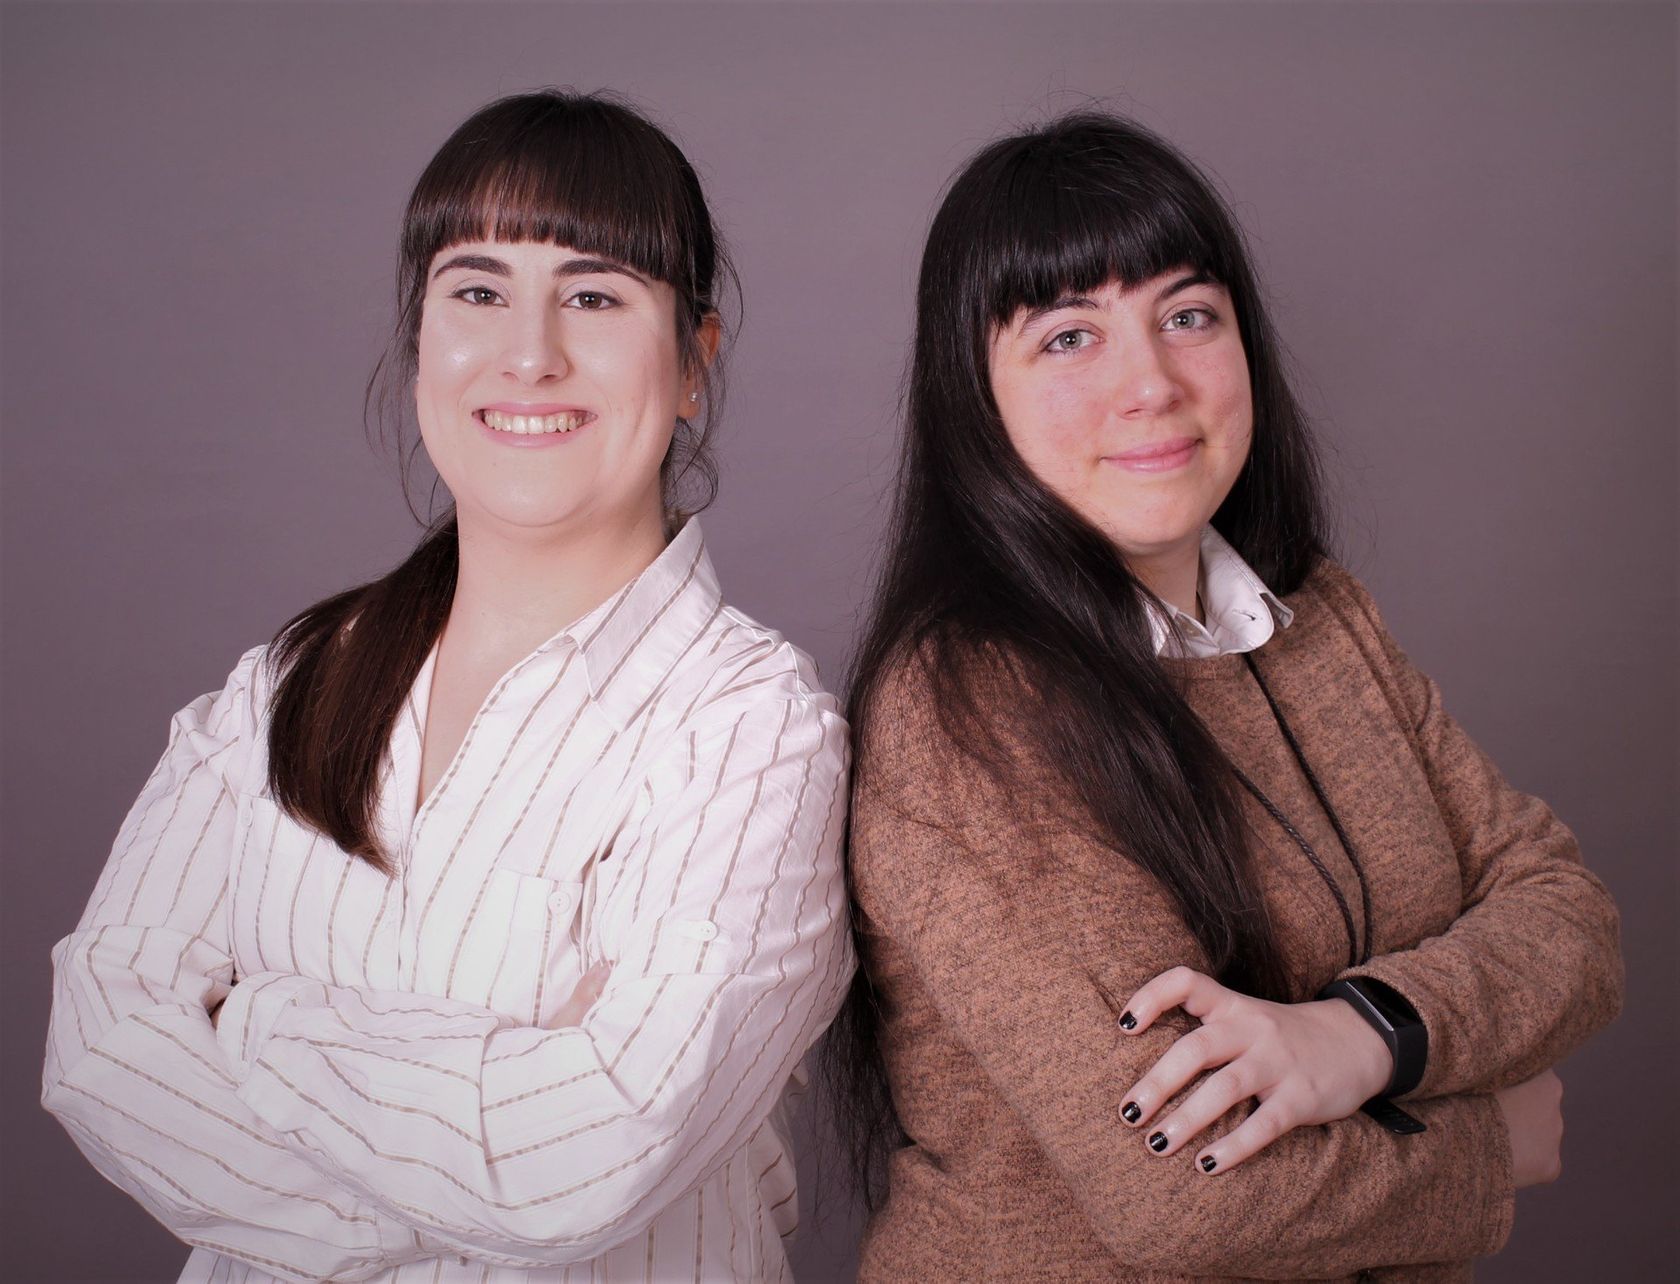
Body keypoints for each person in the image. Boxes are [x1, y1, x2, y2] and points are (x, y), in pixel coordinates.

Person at [43, 90, 851, 1283]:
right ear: (420, 340)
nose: (530, 353)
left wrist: (249, 1016)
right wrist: (462, 1173)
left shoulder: (753, 730)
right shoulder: (283, 688)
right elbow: (100, 1051)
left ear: (694, 363)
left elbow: (591, 1158)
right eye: (477, 292)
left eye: (593, 296)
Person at [833, 111, 1622, 1280]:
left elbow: (1568, 914)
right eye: (1069, 337)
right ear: (973, 397)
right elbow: (1189, 1197)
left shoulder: (1324, 620)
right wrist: (1489, 1148)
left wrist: (1368, 1035)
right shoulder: (967, 715)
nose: (1150, 384)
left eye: (1188, 316)